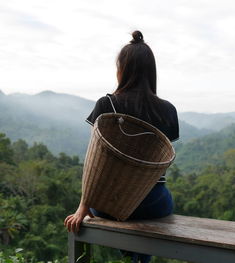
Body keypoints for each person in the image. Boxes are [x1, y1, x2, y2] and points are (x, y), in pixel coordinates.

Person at [64, 30, 179, 263]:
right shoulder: (168, 110)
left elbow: (95, 162)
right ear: (151, 72)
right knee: (150, 210)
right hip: (155, 202)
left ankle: (131, 259)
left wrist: (83, 206)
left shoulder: (107, 104)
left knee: (113, 211)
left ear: (122, 69)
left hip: (113, 201)